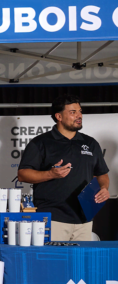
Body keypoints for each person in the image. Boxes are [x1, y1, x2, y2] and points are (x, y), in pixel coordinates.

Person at [17, 94, 110, 241]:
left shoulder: (91, 143)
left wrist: (104, 188)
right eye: (73, 112)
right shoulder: (40, 143)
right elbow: (23, 174)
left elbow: (102, 174)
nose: (79, 116)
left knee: (80, 263)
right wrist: (50, 174)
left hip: (84, 219)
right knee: (53, 263)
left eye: (80, 111)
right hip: (53, 218)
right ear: (59, 116)